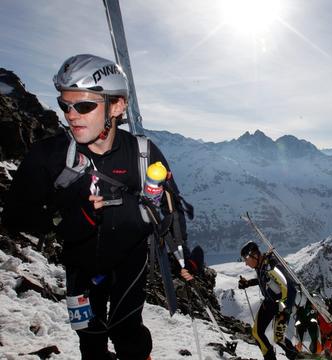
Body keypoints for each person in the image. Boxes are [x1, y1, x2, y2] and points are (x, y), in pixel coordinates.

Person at [2, 54, 195, 360]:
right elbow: (14, 218)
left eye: (84, 105)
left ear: (117, 106)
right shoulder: (49, 157)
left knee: (127, 329)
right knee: (90, 338)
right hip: (80, 262)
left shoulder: (142, 154)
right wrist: (62, 220)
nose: (70, 115)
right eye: (65, 104)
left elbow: (171, 205)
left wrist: (185, 255)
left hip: (130, 260)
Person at [238, 241, 298, 360]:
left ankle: (296, 357)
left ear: (253, 255)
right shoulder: (260, 266)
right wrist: (248, 283)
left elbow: (290, 288)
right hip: (269, 304)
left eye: (246, 259)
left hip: (281, 307)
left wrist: (285, 311)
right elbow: (263, 280)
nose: (245, 263)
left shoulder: (272, 264)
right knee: (257, 333)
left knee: (279, 338)